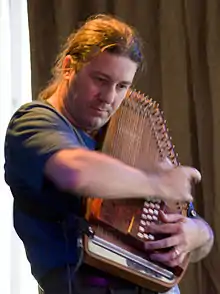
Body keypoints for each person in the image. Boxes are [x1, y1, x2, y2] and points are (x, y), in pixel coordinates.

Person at [4, 14, 213, 294]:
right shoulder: (34, 122)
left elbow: (202, 235)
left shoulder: (123, 138)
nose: (109, 97)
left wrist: (192, 235)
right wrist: (156, 183)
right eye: (100, 80)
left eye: (122, 86)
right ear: (69, 67)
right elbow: (75, 171)